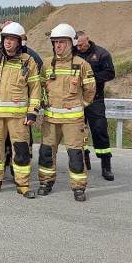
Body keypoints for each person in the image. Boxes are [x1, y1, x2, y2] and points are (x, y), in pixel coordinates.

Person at [0, 22, 41, 197]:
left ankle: (23, 185)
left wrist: (33, 111)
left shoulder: (28, 62)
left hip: (19, 116)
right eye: (6, 39)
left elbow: (35, 87)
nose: (8, 43)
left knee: (20, 149)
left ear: (20, 42)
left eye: (12, 39)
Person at [38, 24, 96, 201]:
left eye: (62, 42)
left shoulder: (82, 65)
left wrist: (79, 106)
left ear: (71, 43)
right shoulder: (47, 64)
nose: (58, 46)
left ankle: (78, 188)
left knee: (75, 154)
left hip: (73, 121)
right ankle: (46, 183)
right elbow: (40, 87)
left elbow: (90, 91)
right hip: (50, 120)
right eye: (55, 42)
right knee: (46, 153)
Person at [75, 30, 115, 181]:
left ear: (88, 40)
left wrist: (90, 78)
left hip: (95, 99)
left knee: (99, 130)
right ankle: (84, 159)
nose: (79, 48)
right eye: (77, 45)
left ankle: (106, 166)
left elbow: (110, 73)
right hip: (76, 99)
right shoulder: (73, 53)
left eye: (82, 44)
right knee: (78, 131)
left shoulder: (101, 53)